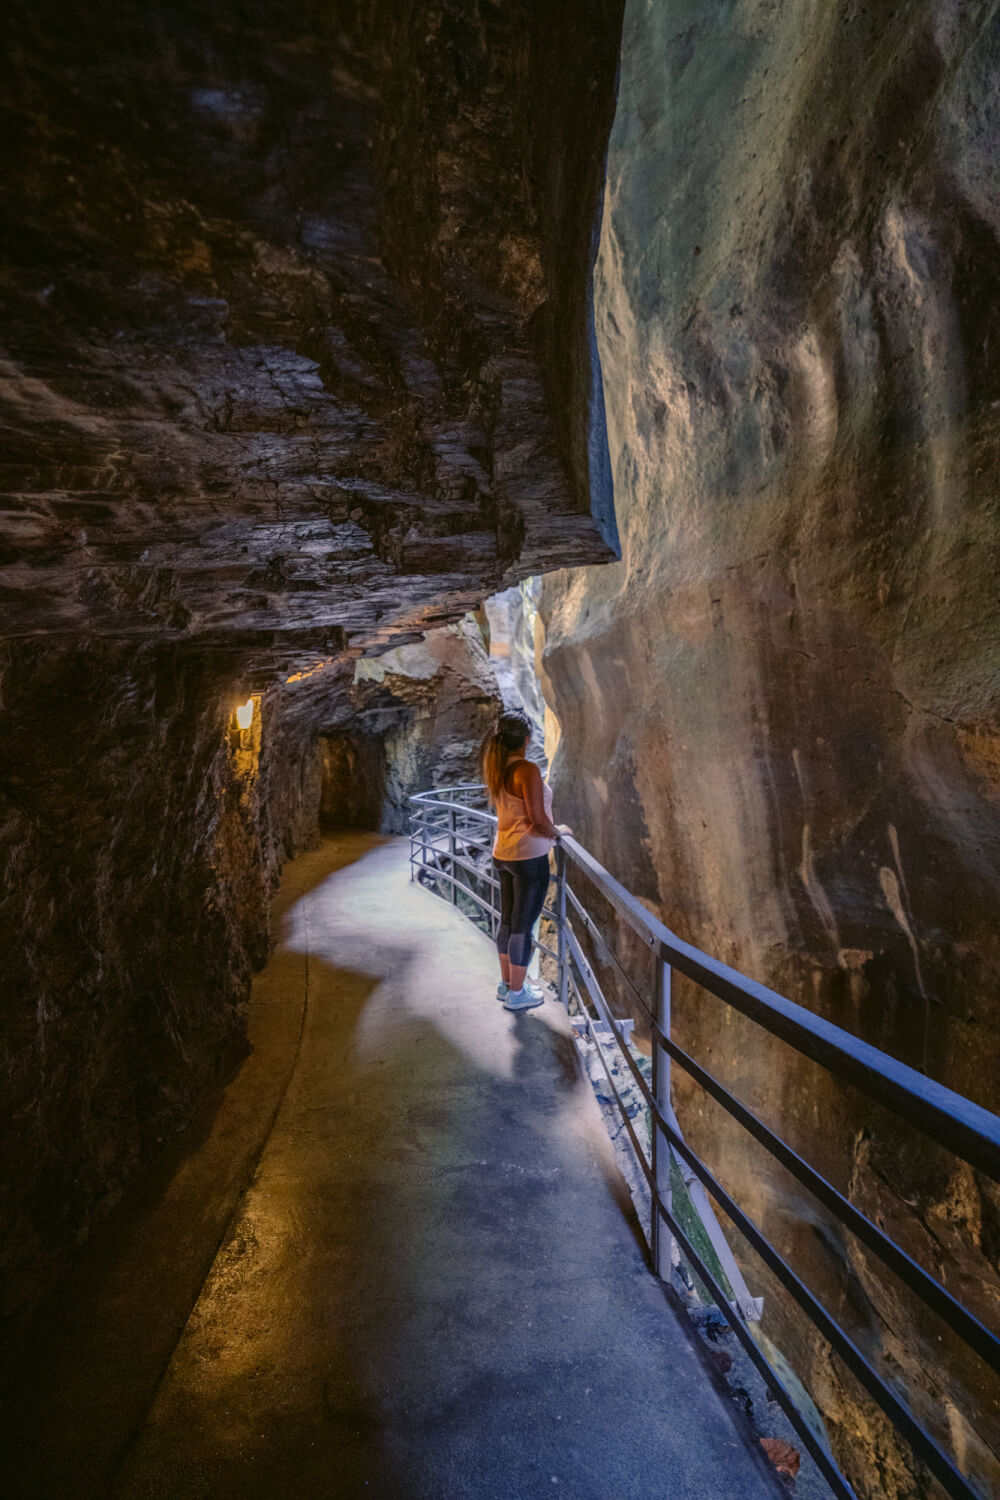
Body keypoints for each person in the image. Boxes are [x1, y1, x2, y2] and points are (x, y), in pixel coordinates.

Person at [480, 710, 571, 1011]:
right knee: (523, 925)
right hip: (528, 856)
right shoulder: (527, 770)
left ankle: (507, 984)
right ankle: (517, 994)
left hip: (503, 854)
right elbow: (537, 818)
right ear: (527, 738)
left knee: (507, 920)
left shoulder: (497, 766)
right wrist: (558, 833)